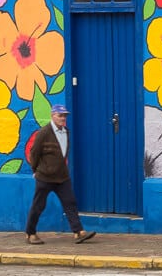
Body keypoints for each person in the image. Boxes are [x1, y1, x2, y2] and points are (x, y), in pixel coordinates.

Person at [25, 104, 96, 244]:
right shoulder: (44, 133)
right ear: (53, 116)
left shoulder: (66, 132)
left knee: (70, 203)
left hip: (62, 176)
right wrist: (35, 170)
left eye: (64, 116)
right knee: (38, 205)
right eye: (60, 115)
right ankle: (30, 233)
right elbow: (34, 153)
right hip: (45, 177)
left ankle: (78, 232)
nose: (63, 118)